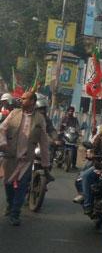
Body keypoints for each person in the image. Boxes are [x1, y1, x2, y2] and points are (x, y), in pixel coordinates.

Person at [0, 92, 50, 225]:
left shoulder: (40, 119)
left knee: (21, 187)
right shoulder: (14, 114)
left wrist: (46, 163)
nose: (21, 100)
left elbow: (44, 142)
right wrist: (3, 142)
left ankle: (15, 214)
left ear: (32, 101)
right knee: (8, 184)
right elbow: (2, 129)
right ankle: (11, 204)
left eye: (24, 98)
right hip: (10, 157)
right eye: (21, 98)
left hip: (26, 160)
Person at [59, 106, 80, 170]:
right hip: (65, 134)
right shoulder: (64, 118)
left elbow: (77, 127)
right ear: (67, 111)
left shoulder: (75, 119)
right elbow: (61, 126)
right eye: (70, 111)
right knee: (60, 145)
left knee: (75, 148)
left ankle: (73, 164)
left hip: (72, 136)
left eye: (72, 111)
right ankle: (59, 159)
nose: (71, 112)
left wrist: (78, 131)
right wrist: (61, 130)